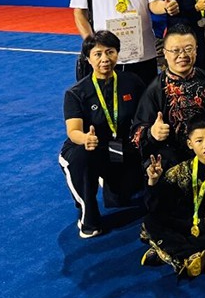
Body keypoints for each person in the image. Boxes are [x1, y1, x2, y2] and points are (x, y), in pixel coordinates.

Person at [59, 31, 146, 238]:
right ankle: (88, 217)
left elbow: (145, 115)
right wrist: (85, 139)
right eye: (97, 54)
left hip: (117, 146)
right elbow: (73, 131)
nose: (105, 59)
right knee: (82, 158)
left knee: (122, 197)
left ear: (117, 53)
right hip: (88, 148)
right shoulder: (76, 93)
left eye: (110, 52)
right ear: (88, 58)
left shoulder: (131, 82)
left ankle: (111, 184)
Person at [141, 115, 205, 277]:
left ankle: (170, 250)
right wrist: (153, 182)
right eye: (199, 141)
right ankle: (190, 254)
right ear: (190, 144)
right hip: (189, 223)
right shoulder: (181, 170)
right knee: (151, 220)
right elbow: (157, 205)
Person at [131, 24, 205, 170]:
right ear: (164, 53)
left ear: (196, 50)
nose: (182, 55)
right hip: (173, 165)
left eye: (188, 49)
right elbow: (136, 136)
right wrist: (152, 133)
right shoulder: (155, 90)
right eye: (175, 50)